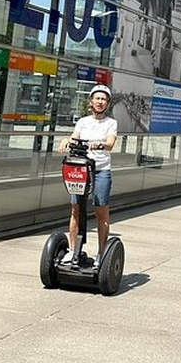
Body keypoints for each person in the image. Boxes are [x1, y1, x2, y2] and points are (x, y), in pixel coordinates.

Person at [58, 84, 118, 265]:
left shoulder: (111, 123)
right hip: (81, 170)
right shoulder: (83, 121)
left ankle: (101, 253)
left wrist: (99, 144)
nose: (100, 102)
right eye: (97, 98)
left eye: (103, 99)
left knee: (101, 211)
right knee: (76, 209)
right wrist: (65, 140)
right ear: (91, 101)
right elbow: (74, 137)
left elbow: (110, 143)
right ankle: (72, 250)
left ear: (107, 103)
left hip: (100, 171)